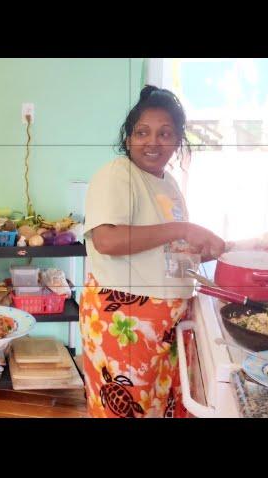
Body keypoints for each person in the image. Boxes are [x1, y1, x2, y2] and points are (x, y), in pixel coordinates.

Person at [80, 85, 226, 418]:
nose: (152, 142)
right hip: (125, 320)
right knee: (127, 410)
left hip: (167, 321)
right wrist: (185, 229)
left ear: (178, 140)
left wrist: (210, 251)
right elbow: (108, 240)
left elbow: (167, 253)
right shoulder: (118, 174)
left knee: (162, 408)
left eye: (165, 134)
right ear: (128, 137)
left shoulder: (168, 183)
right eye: (142, 132)